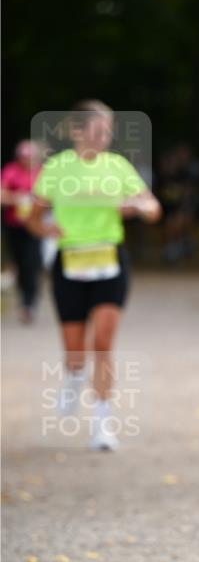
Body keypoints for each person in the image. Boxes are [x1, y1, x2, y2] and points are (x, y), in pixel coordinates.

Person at [26, 100, 161, 450]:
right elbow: (32, 218)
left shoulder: (116, 166)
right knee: (75, 349)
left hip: (109, 262)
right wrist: (46, 231)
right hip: (70, 262)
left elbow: (152, 208)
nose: (105, 137)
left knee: (102, 343)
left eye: (109, 131)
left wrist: (139, 207)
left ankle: (102, 425)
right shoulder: (56, 168)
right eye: (99, 130)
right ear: (77, 131)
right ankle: (73, 378)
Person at [1, 140, 47, 323]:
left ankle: (29, 303)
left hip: (35, 226)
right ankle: (23, 299)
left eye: (30, 158)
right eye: (24, 158)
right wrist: (17, 198)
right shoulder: (11, 170)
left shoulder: (42, 173)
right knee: (19, 263)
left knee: (32, 264)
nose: (27, 161)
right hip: (14, 226)